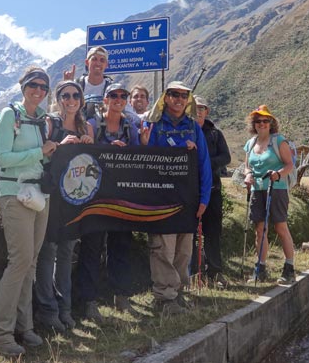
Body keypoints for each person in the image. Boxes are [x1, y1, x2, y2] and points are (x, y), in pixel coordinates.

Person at [0, 67, 58, 357]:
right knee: (20, 261)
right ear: (23, 86)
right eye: (33, 85)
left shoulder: (41, 119)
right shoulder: (9, 115)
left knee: (31, 263)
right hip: (13, 192)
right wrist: (40, 153)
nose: (38, 90)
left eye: (43, 86)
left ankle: (24, 327)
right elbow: (1, 157)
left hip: (37, 193)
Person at [140, 81, 212, 315]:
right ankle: (164, 297)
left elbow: (204, 164)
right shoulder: (154, 126)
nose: (179, 99)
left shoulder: (193, 127)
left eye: (184, 95)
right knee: (163, 249)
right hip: (162, 200)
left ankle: (179, 292)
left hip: (188, 199)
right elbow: (146, 161)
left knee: (184, 250)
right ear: (166, 98)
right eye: (174, 95)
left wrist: (204, 198)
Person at [33, 81, 93, 333]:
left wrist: (91, 145)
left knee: (67, 253)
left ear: (81, 99)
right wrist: (60, 145)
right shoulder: (50, 123)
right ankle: (48, 311)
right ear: (58, 99)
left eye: (75, 95)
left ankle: (65, 308)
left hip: (75, 198)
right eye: (65, 95)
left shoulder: (87, 126)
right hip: (51, 197)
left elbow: (93, 162)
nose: (71, 99)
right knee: (48, 253)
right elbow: (41, 155)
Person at [76, 83, 140, 321]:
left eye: (123, 96)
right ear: (105, 99)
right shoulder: (93, 124)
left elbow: (138, 155)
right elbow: (88, 152)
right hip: (97, 197)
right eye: (113, 95)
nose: (119, 99)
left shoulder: (130, 127)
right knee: (92, 248)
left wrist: (140, 144)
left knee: (121, 246)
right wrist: (107, 149)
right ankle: (89, 302)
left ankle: (121, 297)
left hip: (122, 198)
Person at [243, 105, 296, 284]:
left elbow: (289, 165)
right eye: (258, 121)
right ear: (254, 124)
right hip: (257, 189)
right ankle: (260, 268)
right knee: (260, 229)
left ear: (271, 123)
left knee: (280, 227)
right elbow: (247, 166)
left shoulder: (279, 141)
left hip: (277, 189)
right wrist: (248, 175)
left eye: (266, 120)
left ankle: (289, 268)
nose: (262, 124)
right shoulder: (250, 144)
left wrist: (278, 174)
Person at [191, 95, 231, 288]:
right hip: (190, 193)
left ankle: (215, 272)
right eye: (195, 107)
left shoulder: (216, 133)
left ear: (207, 111)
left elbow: (226, 157)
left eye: (202, 108)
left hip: (213, 190)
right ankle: (191, 274)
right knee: (189, 234)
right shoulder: (185, 131)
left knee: (213, 232)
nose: (198, 111)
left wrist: (206, 164)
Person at [63, 46, 113, 120]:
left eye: (102, 60)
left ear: (106, 65)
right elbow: (61, 109)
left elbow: (129, 114)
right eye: (94, 59)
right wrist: (66, 86)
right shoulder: (76, 85)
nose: (98, 63)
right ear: (87, 62)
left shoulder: (112, 88)